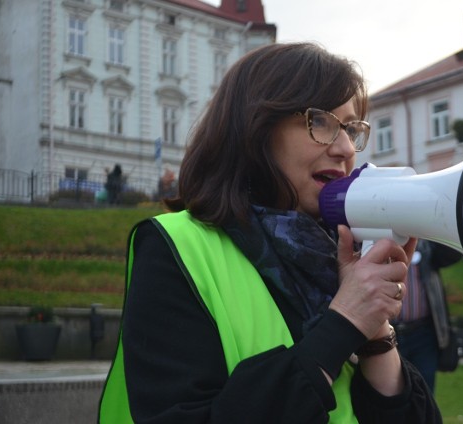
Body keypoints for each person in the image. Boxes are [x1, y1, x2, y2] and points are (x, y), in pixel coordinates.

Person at [99, 42, 441, 423]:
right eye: (322, 122)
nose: (346, 148)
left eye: (351, 129)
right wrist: (343, 323)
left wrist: (376, 334)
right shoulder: (175, 247)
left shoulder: (337, 253)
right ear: (256, 128)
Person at [391, 239, 463, 393]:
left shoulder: (425, 246)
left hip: (423, 333)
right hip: (390, 334)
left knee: (425, 390)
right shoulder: (379, 242)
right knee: (392, 390)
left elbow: (454, 253)